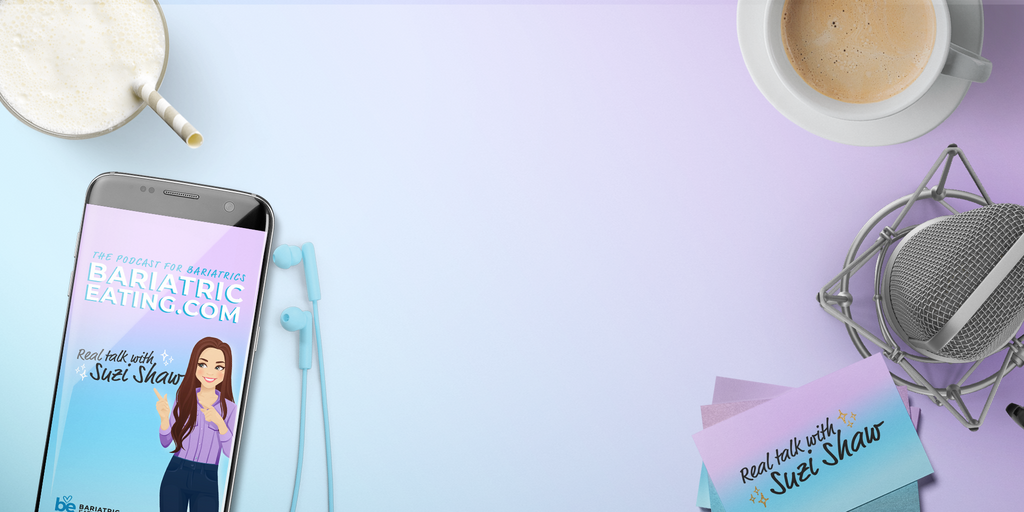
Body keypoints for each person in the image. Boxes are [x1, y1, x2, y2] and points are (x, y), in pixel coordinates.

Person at [154, 337, 236, 512]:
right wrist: (164, 418)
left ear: (226, 371)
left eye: (219, 367)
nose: (210, 372)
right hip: (176, 472)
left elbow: (230, 452)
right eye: (203, 364)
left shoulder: (230, 409)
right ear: (194, 366)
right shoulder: (183, 399)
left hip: (207, 477)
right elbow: (166, 442)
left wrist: (220, 424)